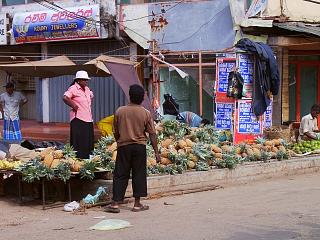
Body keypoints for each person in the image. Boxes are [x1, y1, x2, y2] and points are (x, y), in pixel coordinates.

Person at [105, 84, 160, 213]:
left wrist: (119, 140)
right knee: (139, 174)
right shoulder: (145, 113)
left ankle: (115, 204)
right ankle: (137, 204)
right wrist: (156, 152)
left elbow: (115, 131)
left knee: (120, 174)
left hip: (124, 146)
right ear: (142, 99)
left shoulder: (120, 111)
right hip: (139, 147)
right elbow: (152, 133)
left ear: (129, 96)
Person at [63, 70, 94, 159]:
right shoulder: (73, 88)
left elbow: (91, 96)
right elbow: (65, 97)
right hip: (78, 119)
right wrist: (74, 105)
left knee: (88, 141)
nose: (86, 81)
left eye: (86, 80)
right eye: (84, 80)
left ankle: (87, 159)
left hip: (88, 119)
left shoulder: (87, 89)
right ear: (78, 80)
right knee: (79, 142)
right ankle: (78, 159)